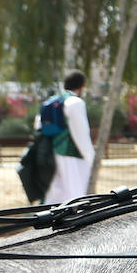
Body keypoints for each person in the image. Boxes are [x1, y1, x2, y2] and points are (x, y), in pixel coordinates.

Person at [39, 69, 94, 203]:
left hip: (54, 152)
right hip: (72, 154)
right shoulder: (75, 102)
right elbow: (80, 132)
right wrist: (90, 156)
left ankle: (46, 222)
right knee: (76, 193)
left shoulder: (53, 101)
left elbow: (39, 125)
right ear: (81, 86)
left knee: (56, 191)